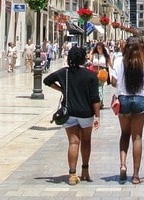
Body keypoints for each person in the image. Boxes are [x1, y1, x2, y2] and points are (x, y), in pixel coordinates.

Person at [44, 46, 102, 185]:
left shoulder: (64, 72)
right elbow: (95, 99)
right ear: (84, 58)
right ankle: (85, 170)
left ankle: (72, 174)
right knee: (86, 141)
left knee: (73, 142)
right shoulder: (91, 75)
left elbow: (47, 80)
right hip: (86, 113)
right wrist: (98, 116)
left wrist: (62, 89)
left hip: (69, 112)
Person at [109, 40, 144, 184]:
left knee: (124, 134)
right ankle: (135, 175)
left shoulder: (119, 62)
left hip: (123, 100)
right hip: (140, 100)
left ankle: (123, 165)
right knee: (137, 137)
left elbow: (113, 82)